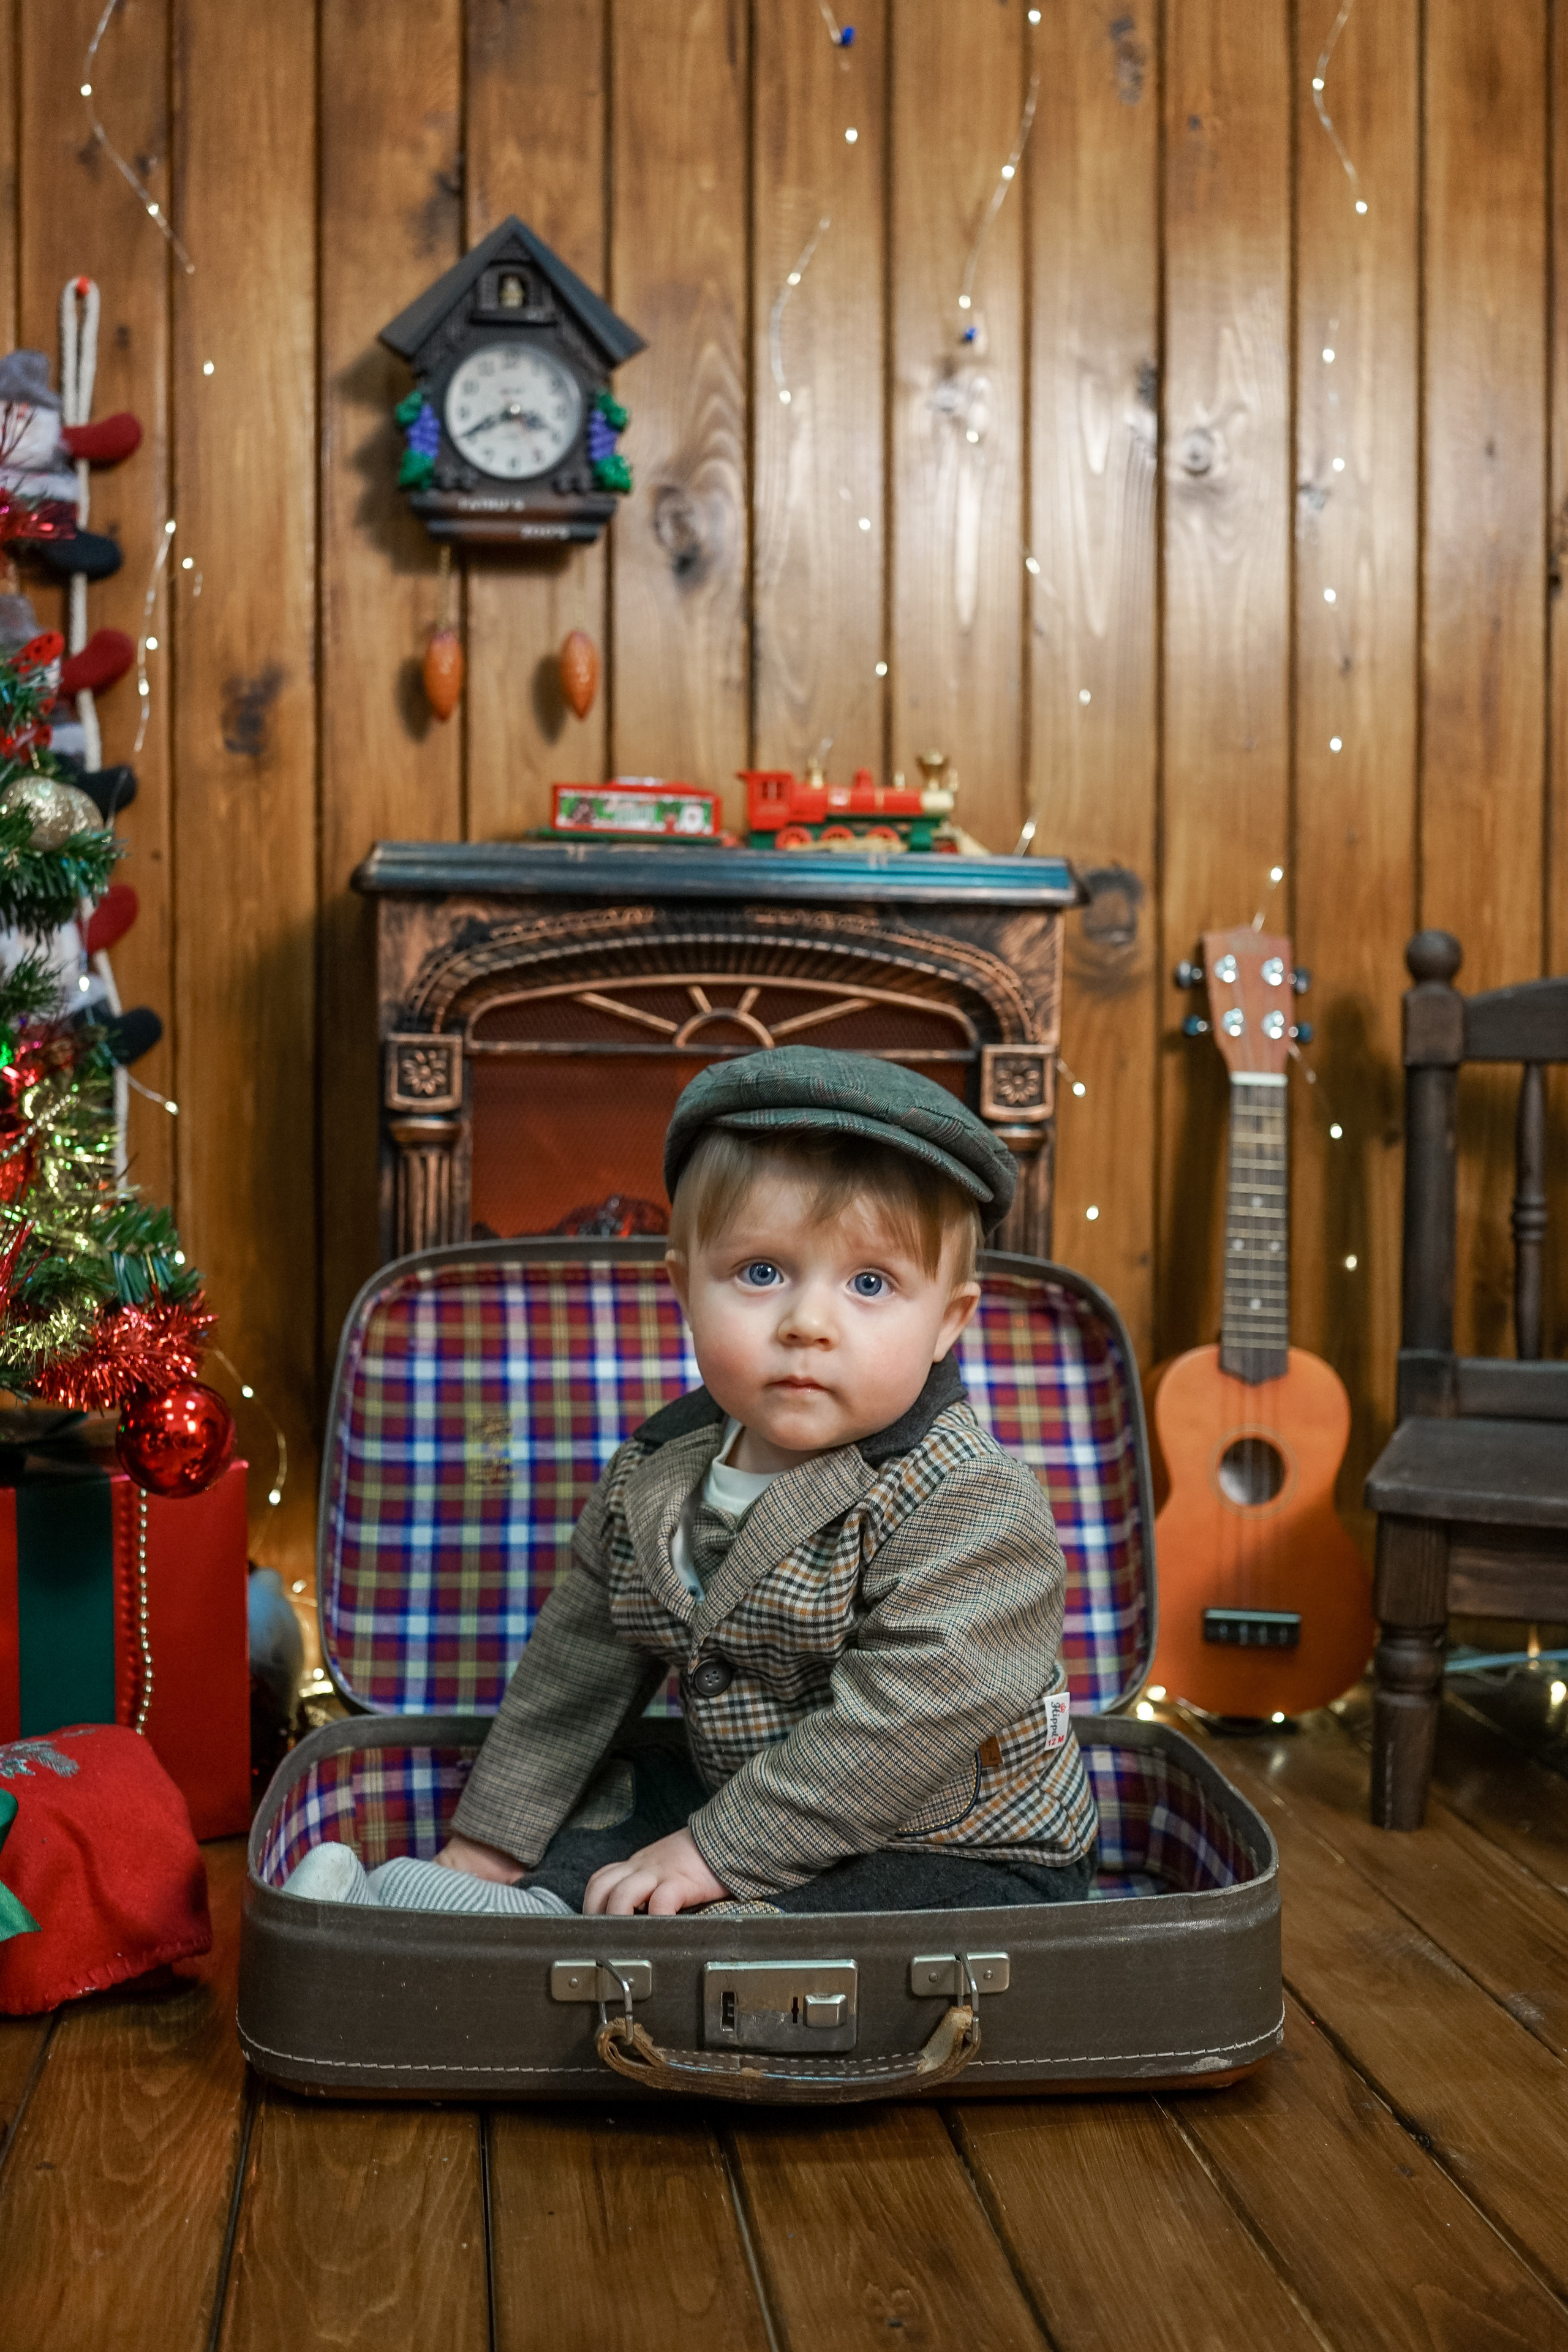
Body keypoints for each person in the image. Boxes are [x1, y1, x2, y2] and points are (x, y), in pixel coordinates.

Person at [285, 1047, 1096, 1917]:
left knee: (758, 1926)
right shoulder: (655, 1472)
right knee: (618, 1795)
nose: (808, 1324)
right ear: (684, 1288)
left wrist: (712, 1852)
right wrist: (486, 1843)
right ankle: (476, 1908)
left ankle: (603, 1931)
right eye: (761, 1273)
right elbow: (577, 1666)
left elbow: (893, 1735)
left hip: (960, 1838)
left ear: (948, 1323)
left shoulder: (970, 1501)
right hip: (754, 1783)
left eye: (870, 1283)